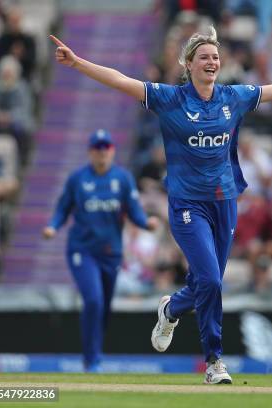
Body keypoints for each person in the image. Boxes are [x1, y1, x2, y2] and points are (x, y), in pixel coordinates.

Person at [50, 26, 272, 384]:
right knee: (210, 279)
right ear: (189, 64)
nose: (212, 62)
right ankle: (214, 361)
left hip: (225, 203)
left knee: (207, 283)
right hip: (187, 205)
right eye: (205, 57)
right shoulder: (170, 99)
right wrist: (78, 63)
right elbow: (120, 79)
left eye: (216, 57)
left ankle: (171, 308)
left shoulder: (232, 97)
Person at [42, 129, 158, 372]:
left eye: (106, 148)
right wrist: (53, 226)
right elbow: (63, 208)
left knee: (103, 306)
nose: (102, 152)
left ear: (113, 151)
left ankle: (94, 352)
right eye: (97, 148)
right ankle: (91, 359)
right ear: (90, 152)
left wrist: (146, 223)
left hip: (111, 252)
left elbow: (134, 210)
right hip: (82, 250)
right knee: (93, 300)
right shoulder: (78, 179)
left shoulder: (123, 179)